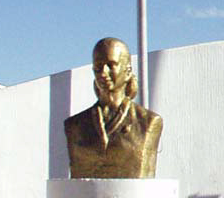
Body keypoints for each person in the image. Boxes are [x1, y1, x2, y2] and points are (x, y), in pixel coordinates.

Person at [64, 37, 163, 179]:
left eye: (111, 65)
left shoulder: (148, 122)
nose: (103, 73)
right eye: (98, 66)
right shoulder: (74, 125)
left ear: (127, 71)